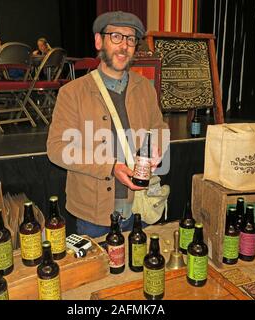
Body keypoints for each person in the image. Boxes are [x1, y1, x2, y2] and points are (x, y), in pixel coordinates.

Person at [47, 11, 169, 238]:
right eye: (116, 37)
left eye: (131, 39)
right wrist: (110, 167)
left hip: (139, 207)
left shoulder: (145, 88)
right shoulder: (72, 93)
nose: (124, 46)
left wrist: (157, 148)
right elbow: (57, 149)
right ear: (98, 41)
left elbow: (159, 127)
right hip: (94, 213)